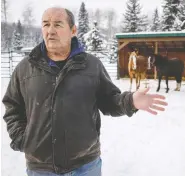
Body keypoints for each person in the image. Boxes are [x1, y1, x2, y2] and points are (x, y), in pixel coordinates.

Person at [2, 7, 168, 176]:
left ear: (73, 30)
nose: (50, 31)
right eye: (46, 24)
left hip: (85, 166)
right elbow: (12, 106)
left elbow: (110, 100)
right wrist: (22, 139)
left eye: (58, 24)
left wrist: (130, 101)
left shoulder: (92, 66)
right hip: (40, 167)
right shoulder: (25, 68)